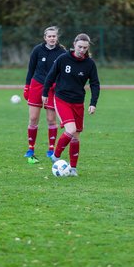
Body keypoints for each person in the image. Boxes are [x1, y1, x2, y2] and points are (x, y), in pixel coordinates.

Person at [42, 33, 100, 176]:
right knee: (71, 129)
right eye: (80, 47)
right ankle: (55, 154)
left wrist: (93, 103)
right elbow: (51, 75)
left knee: (76, 136)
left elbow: (95, 84)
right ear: (74, 45)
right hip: (62, 99)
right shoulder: (63, 59)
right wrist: (44, 93)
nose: (82, 50)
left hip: (78, 101)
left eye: (85, 48)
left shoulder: (90, 64)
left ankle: (73, 168)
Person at [23, 26, 66, 163]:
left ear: (57, 38)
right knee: (33, 118)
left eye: (54, 36)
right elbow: (31, 69)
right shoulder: (37, 50)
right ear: (45, 38)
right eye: (49, 36)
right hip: (37, 85)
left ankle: (51, 149)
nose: (52, 38)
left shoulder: (62, 52)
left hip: (53, 87)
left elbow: (64, 72)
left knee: (51, 120)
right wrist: (27, 86)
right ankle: (31, 148)